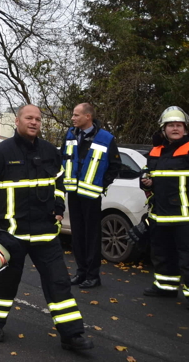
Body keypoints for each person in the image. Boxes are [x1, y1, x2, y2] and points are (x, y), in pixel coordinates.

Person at [0, 104, 93, 351]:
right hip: (10, 233)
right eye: (29, 118)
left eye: (38, 119)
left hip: (45, 232)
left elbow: (59, 185)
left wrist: (58, 208)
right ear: (17, 121)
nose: (34, 122)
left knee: (59, 282)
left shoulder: (50, 152)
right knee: (5, 283)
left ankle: (72, 335)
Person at [140, 106, 189, 310]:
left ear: (185, 129)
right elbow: (147, 174)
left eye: (179, 125)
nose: (175, 128)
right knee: (162, 253)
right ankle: (165, 286)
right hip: (160, 214)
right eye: (171, 125)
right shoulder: (156, 151)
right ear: (163, 129)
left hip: (186, 216)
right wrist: (145, 181)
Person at [61, 103, 121, 289]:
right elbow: (63, 159)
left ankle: (93, 275)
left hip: (92, 195)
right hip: (74, 193)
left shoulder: (106, 138)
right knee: (77, 235)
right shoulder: (71, 135)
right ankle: (81, 272)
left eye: (76, 115)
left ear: (88, 117)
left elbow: (115, 166)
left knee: (92, 236)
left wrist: (102, 184)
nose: (73, 118)